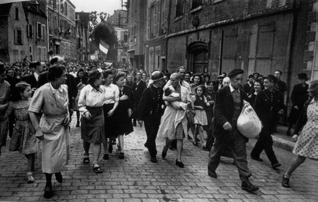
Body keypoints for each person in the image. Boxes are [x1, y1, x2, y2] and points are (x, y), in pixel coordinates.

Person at [207, 69, 259, 193]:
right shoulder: (222, 92)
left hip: (238, 130)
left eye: (241, 79)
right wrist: (224, 121)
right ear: (230, 79)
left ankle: (245, 181)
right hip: (223, 130)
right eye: (237, 79)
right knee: (216, 151)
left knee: (241, 155)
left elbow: (247, 108)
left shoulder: (242, 92)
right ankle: (211, 168)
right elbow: (217, 110)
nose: (239, 82)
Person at [28, 65, 70, 198]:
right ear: (56, 77)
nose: (66, 77)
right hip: (49, 127)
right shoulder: (42, 90)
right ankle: (48, 184)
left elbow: (66, 106)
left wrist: (67, 117)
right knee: (48, 156)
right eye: (64, 75)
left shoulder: (65, 88)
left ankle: (57, 170)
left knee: (62, 152)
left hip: (62, 126)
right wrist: (38, 129)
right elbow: (32, 111)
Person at [282, 80, 318, 188]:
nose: (308, 91)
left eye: (310, 89)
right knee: (300, 157)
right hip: (309, 132)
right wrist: (296, 132)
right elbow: (301, 118)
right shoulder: (308, 102)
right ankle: (286, 175)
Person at [5, 82, 37, 183]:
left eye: (30, 89)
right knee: (26, 151)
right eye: (27, 90)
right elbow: (6, 114)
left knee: (30, 151)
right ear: (20, 93)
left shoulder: (32, 101)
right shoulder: (13, 103)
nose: (30, 91)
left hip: (31, 128)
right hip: (19, 129)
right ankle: (31, 166)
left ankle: (29, 173)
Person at [159, 73, 192, 168]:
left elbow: (189, 101)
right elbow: (165, 100)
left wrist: (186, 105)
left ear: (178, 80)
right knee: (170, 137)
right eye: (171, 79)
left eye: (174, 80)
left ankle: (179, 159)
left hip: (181, 115)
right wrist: (175, 100)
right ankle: (165, 148)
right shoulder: (168, 89)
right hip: (170, 114)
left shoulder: (185, 90)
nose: (172, 81)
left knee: (180, 137)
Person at [250, 76, 283, 170]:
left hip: (272, 121)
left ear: (272, 83)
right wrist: (258, 121)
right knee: (267, 140)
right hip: (262, 121)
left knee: (263, 139)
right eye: (264, 82)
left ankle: (255, 154)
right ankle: (274, 161)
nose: (264, 84)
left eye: (266, 82)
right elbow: (256, 109)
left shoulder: (278, 94)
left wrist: (280, 110)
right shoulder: (261, 94)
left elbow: (280, 106)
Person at [78, 70, 106, 173]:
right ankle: (86, 153)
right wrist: (85, 112)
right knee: (86, 137)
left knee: (97, 138)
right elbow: (80, 104)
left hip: (99, 114)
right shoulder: (86, 89)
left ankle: (95, 162)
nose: (102, 79)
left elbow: (105, 101)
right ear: (95, 79)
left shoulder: (102, 89)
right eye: (101, 78)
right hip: (87, 114)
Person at [138, 71, 166, 163]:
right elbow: (142, 104)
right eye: (161, 80)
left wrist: (162, 108)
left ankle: (148, 143)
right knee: (151, 134)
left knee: (153, 135)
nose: (163, 81)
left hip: (157, 116)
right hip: (148, 117)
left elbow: (161, 101)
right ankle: (153, 154)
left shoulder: (160, 90)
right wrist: (140, 118)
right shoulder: (148, 90)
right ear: (157, 81)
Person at [111, 72, 134, 159]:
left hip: (123, 113)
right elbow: (110, 100)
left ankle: (122, 150)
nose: (123, 81)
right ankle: (116, 143)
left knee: (121, 131)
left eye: (124, 79)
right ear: (116, 81)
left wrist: (130, 108)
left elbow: (131, 100)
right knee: (115, 130)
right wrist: (120, 99)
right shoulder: (112, 89)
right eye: (121, 80)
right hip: (114, 112)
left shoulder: (128, 89)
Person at [102, 70, 119, 159]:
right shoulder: (100, 87)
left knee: (112, 130)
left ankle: (111, 141)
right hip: (103, 109)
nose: (111, 79)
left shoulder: (115, 87)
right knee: (104, 130)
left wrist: (113, 110)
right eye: (109, 78)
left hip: (112, 108)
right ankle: (105, 152)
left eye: (112, 78)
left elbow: (117, 100)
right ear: (104, 78)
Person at [0, 63, 10, 156]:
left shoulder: (7, 85)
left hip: (3, 115)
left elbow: (9, 99)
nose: (4, 77)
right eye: (2, 75)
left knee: (2, 135)